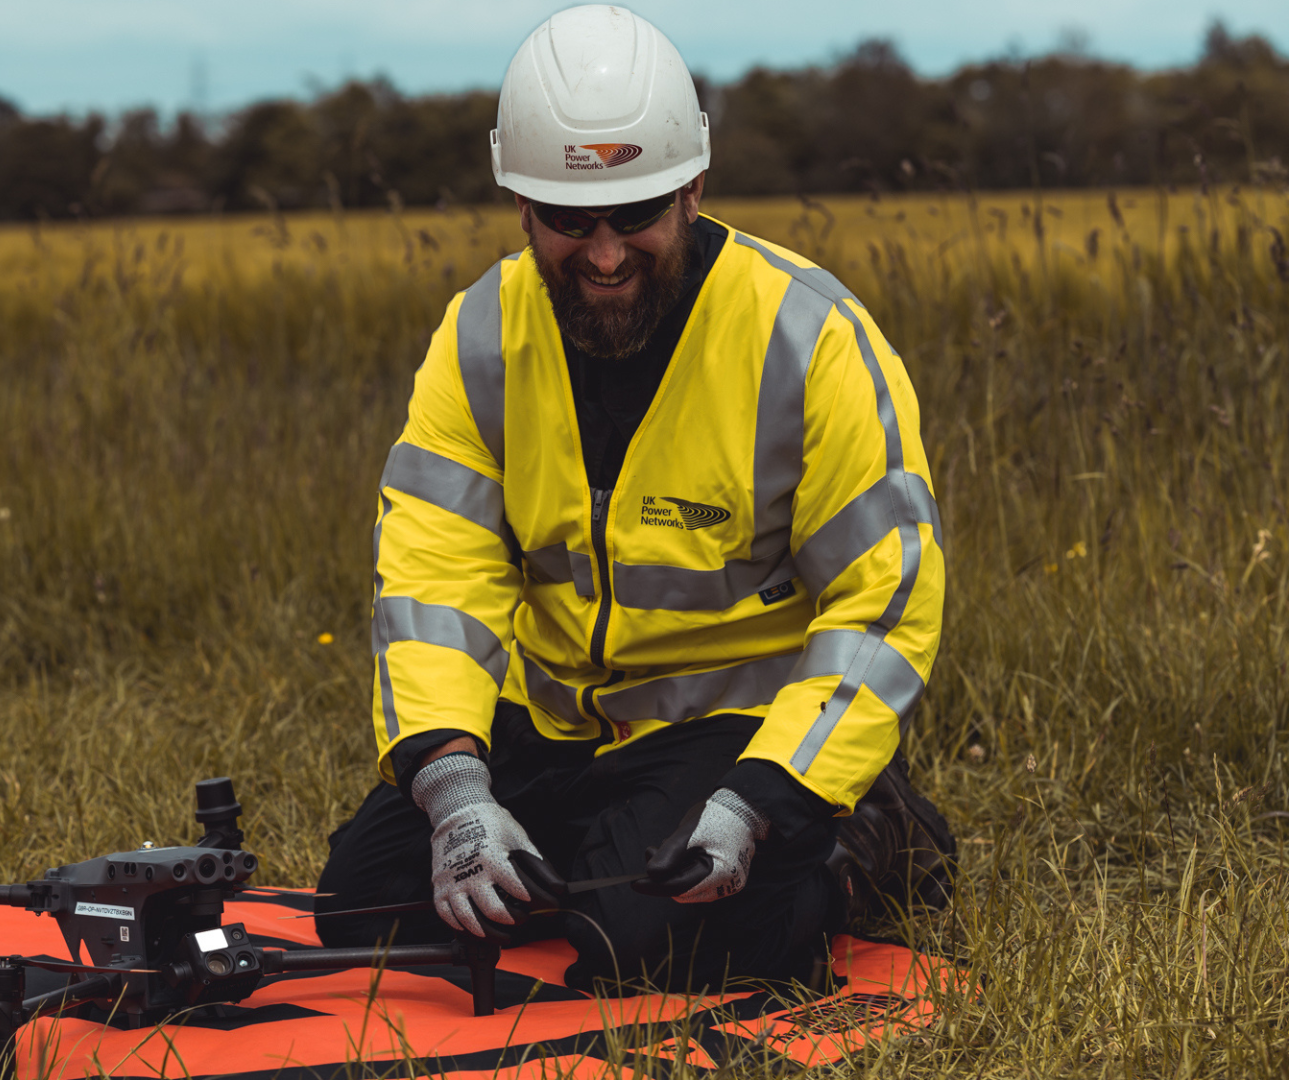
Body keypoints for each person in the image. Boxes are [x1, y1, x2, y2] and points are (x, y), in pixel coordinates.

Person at [314, 5, 956, 993]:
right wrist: (455, 790)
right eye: (571, 222)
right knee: (360, 910)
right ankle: (587, 856)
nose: (606, 256)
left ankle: (858, 833)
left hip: (740, 738)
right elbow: (437, 576)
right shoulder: (479, 335)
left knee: (638, 950)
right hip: (556, 734)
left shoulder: (809, 338)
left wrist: (765, 795)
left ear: (692, 188)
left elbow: (886, 599)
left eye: (636, 217)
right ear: (523, 206)